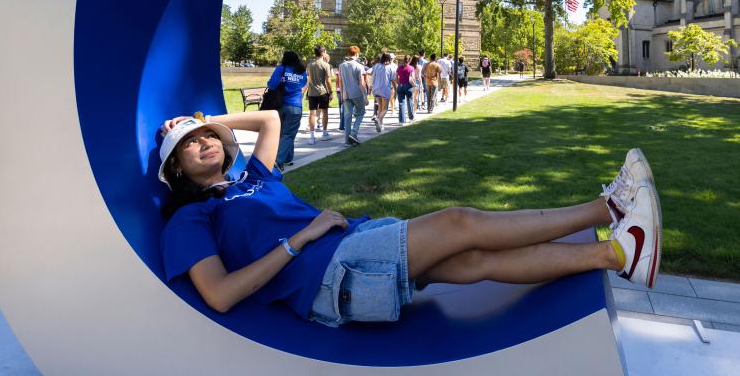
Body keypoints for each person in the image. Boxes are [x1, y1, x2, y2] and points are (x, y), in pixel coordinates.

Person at [159, 112, 663, 327]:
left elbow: (270, 120)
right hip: (327, 277)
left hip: (353, 241)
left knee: (475, 258)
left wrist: (202, 115)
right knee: (460, 223)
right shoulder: (190, 218)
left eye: (206, 136)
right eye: (187, 145)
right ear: (175, 168)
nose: (202, 143)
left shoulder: (254, 178)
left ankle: (619, 254)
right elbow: (220, 295)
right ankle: (609, 208)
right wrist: (298, 241)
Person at [267, 51, 307, 169]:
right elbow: (302, 85)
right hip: (295, 106)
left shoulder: (281, 69)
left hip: (280, 105)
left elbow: (272, 85)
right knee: (289, 133)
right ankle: (287, 158)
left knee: (283, 133)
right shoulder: (302, 71)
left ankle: (278, 161)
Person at [339, 45, 368, 146]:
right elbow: (361, 83)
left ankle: (347, 141)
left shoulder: (342, 65)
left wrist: (342, 94)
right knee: (361, 112)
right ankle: (354, 133)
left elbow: (341, 81)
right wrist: (365, 96)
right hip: (356, 93)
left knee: (347, 117)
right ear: (357, 54)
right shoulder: (359, 66)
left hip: (346, 94)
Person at [306, 46, 333, 145]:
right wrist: (331, 92)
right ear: (323, 53)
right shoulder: (325, 65)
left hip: (312, 92)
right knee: (324, 112)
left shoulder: (309, 65)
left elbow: (308, 79)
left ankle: (312, 137)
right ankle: (324, 133)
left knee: (312, 114)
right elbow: (328, 81)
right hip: (322, 92)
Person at [370, 53, 396, 132]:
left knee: (380, 108)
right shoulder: (391, 68)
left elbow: (371, 74)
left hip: (376, 89)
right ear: (389, 59)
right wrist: (396, 89)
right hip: (385, 89)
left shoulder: (376, 66)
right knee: (385, 109)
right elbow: (393, 80)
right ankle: (379, 119)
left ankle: (381, 125)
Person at [396, 57, 417, 123]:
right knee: (410, 101)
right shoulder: (411, 68)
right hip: (408, 86)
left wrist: (398, 83)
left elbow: (396, 77)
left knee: (401, 103)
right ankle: (411, 117)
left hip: (400, 85)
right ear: (409, 60)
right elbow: (413, 78)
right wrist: (414, 84)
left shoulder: (399, 68)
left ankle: (402, 120)